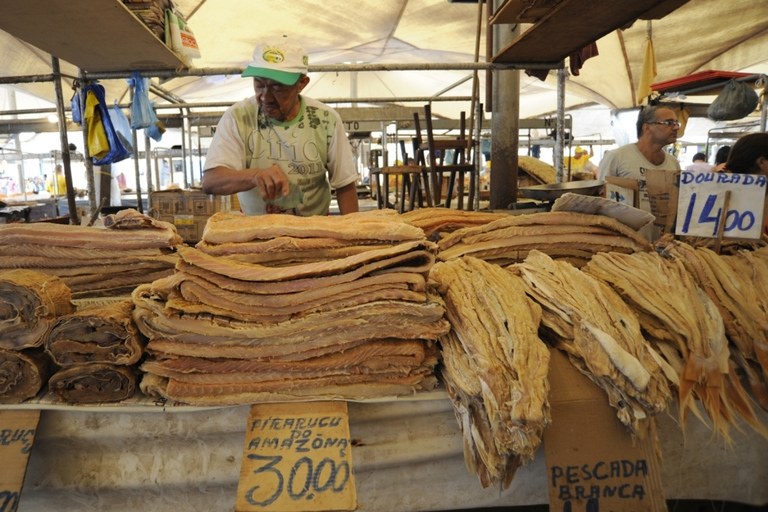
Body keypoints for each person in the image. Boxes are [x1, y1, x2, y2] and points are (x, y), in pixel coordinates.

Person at [201, 35, 359, 216]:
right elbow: (210, 181)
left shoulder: (326, 119)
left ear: (301, 84)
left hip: (313, 230)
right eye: (259, 84)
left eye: (277, 88)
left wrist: (354, 231)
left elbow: (345, 185)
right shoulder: (237, 117)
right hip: (257, 232)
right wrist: (254, 176)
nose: (266, 97)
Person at [597, 105, 681, 213]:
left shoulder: (673, 163)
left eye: (676, 123)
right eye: (669, 123)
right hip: (625, 229)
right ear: (647, 128)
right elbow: (600, 198)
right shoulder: (617, 157)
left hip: (661, 230)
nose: (676, 127)